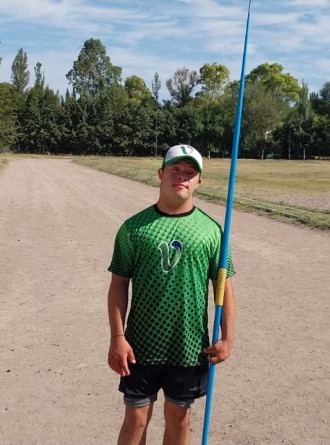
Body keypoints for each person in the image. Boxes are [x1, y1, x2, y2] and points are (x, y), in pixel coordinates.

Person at [106, 144, 236, 445]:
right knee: (136, 421)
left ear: (199, 181)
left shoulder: (213, 231)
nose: (182, 177)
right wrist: (117, 337)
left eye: (190, 173)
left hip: (189, 346)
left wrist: (228, 337)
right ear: (160, 174)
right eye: (175, 169)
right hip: (140, 345)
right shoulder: (134, 228)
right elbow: (118, 284)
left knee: (179, 420)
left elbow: (224, 286)